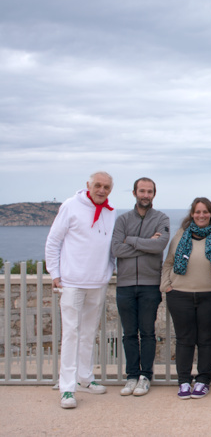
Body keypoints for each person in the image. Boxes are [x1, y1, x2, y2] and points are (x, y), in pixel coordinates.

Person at [45, 171, 116, 409]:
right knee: (71, 334)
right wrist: (55, 273)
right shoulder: (70, 206)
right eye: (98, 185)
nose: (102, 190)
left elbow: (108, 247)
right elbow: (54, 240)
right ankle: (67, 387)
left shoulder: (110, 212)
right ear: (88, 185)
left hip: (97, 282)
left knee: (88, 334)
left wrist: (107, 272)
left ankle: (85, 378)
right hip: (72, 282)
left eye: (106, 187)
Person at [161, 197, 211, 400]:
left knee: (207, 339)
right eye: (198, 212)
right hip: (180, 295)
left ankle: (203, 380)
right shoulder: (181, 235)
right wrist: (166, 285)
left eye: (205, 212)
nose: (201, 215)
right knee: (184, 339)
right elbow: (168, 262)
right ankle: (183, 381)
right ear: (192, 214)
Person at [111, 177, 170, 397]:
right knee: (128, 334)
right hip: (125, 285)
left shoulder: (161, 218)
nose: (145, 195)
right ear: (134, 193)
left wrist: (131, 240)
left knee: (147, 332)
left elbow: (160, 246)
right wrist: (146, 243)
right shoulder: (122, 220)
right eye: (141, 191)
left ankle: (145, 376)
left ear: (154, 194)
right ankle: (131, 376)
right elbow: (117, 250)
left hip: (149, 284)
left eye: (149, 191)